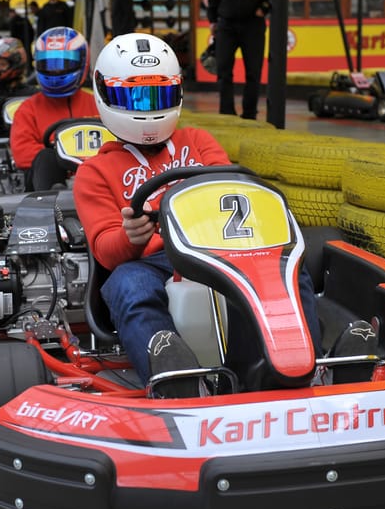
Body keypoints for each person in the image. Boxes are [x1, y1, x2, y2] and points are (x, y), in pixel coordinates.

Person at [73, 33, 321, 396]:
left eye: (158, 96)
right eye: (135, 97)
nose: (147, 108)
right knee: (128, 283)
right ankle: (177, 383)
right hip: (152, 261)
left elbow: (229, 190)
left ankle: (298, 370)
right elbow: (104, 249)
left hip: (220, 250)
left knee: (288, 270)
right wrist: (130, 236)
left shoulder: (198, 141)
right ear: (106, 96)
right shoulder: (95, 171)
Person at [9, 27, 97, 191]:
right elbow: (22, 154)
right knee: (46, 157)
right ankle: (55, 211)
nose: (55, 71)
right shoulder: (28, 109)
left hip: (95, 178)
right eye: (48, 64)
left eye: (63, 64)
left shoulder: (96, 103)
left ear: (82, 62)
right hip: (48, 187)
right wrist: (65, 155)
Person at [206, 0, 273, 121]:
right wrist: (212, 20)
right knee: (223, 71)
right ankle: (227, 114)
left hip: (253, 22)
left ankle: (249, 114)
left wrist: (265, 8)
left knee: (253, 72)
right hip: (226, 23)